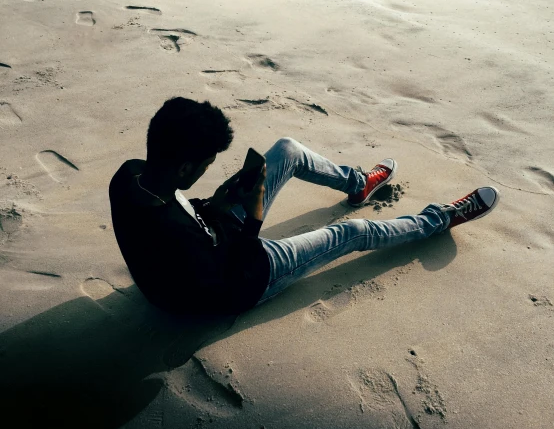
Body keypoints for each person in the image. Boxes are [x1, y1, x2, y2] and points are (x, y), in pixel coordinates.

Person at [109, 97, 499, 317]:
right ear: (184, 166)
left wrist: (214, 203)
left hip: (205, 241)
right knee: (351, 233)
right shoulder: (176, 236)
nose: (210, 166)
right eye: (208, 162)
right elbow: (236, 270)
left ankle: (358, 183)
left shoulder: (132, 174)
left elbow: (180, 210)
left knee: (287, 151)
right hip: (236, 284)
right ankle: (442, 218)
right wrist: (254, 214)